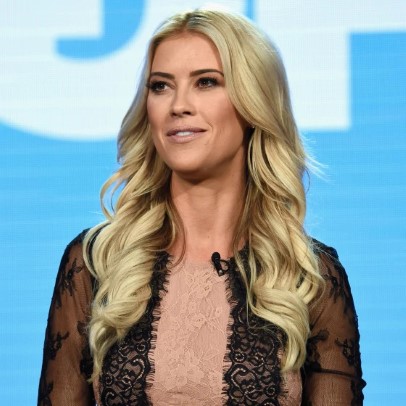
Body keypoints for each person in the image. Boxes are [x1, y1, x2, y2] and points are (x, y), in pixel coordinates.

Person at [38, 8, 365, 405]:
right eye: (161, 86)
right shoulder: (95, 265)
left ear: (254, 103)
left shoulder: (309, 280)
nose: (178, 105)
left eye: (206, 82)